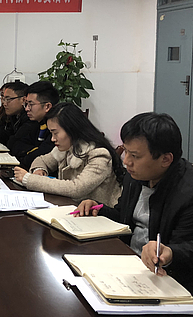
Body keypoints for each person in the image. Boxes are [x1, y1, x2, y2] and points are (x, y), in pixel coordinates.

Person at [76, 112, 193, 292]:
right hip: (127, 265)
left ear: (166, 159)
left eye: (135, 156)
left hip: (165, 281)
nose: (126, 161)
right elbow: (124, 218)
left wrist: (169, 253)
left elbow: (188, 248)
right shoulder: (135, 177)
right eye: (126, 151)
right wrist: (98, 208)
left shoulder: (187, 192)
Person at [13, 102, 123, 205]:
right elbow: (41, 160)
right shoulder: (67, 148)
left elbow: (76, 188)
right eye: (51, 133)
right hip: (70, 208)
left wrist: (30, 179)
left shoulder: (99, 155)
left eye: (55, 133)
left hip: (96, 215)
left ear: (72, 130)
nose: (52, 139)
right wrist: (39, 170)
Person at [10, 80, 59, 168]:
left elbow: (39, 156)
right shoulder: (36, 123)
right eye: (26, 104)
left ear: (47, 106)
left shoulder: (58, 128)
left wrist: (29, 153)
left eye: (31, 104)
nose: (26, 109)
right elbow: (14, 144)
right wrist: (32, 151)